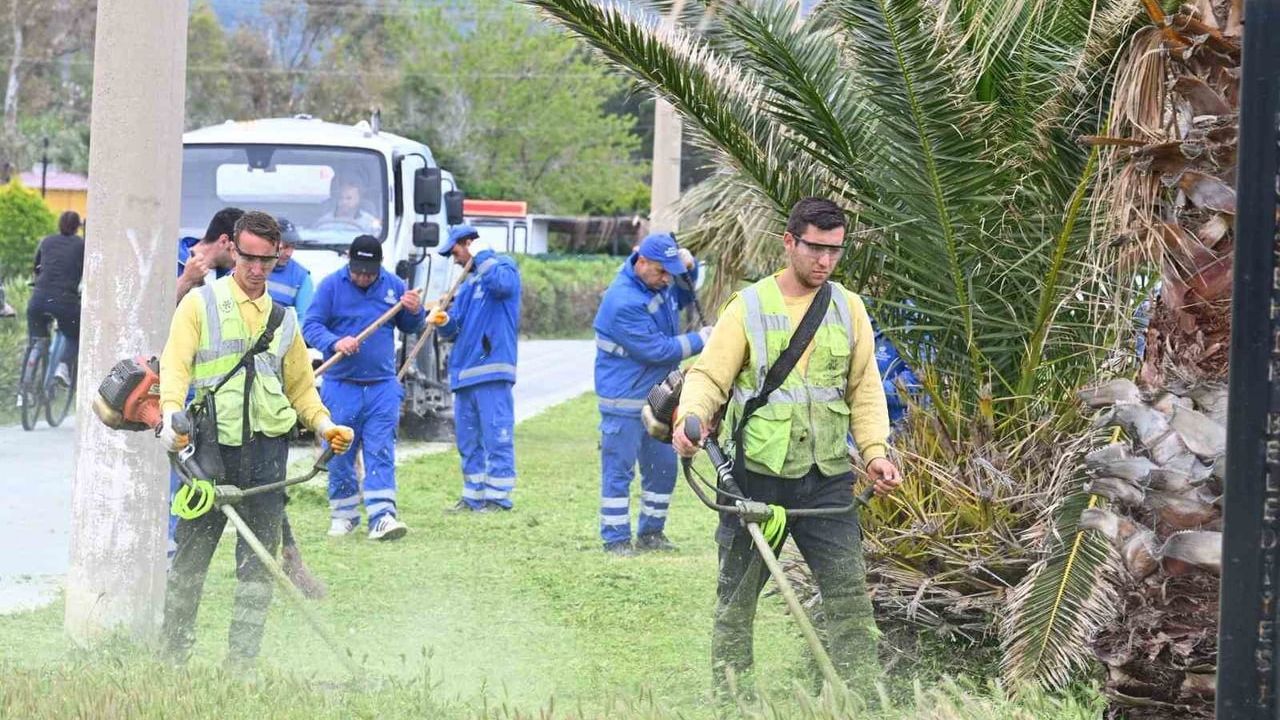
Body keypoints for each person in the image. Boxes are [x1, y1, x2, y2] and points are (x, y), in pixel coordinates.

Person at [673, 197, 904, 695]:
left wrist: (876, 453)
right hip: (755, 478)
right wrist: (690, 419)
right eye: (815, 249)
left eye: (835, 252)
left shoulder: (849, 308)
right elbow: (708, 377)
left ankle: (862, 695)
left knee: (848, 596)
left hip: (827, 480)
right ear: (789, 242)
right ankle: (734, 697)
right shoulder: (749, 307)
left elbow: (864, 389)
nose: (824, 261)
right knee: (737, 600)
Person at [157, 210, 354, 667]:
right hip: (209, 453)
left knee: (258, 570)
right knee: (189, 562)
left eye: (267, 260)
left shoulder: (284, 321)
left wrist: (326, 427)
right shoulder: (199, 304)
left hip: (267, 455)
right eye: (249, 257)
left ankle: (241, 662)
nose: (256, 269)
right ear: (233, 251)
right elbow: (175, 365)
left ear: (277, 258)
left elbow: (302, 388)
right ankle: (173, 657)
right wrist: (171, 414)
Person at [592, 232, 710, 555]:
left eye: (670, 272)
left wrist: (690, 267)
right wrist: (702, 339)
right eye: (661, 271)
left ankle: (651, 534)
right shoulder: (623, 301)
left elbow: (684, 295)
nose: (666, 279)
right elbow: (657, 350)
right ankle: (615, 539)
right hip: (624, 400)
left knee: (663, 469)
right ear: (641, 262)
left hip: (658, 399)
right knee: (619, 472)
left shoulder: (659, 281)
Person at [303, 234, 425, 540]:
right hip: (341, 385)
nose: (363, 277)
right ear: (349, 263)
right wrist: (335, 341)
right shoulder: (331, 286)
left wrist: (414, 310)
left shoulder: (394, 285)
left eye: (369, 272)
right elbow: (311, 325)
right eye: (357, 271)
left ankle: (382, 516)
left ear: (379, 267)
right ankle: (344, 514)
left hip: (382, 385)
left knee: (380, 449)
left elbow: (411, 326)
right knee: (340, 451)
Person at [436, 224, 522, 512]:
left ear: (469, 244)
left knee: (497, 435)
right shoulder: (468, 284)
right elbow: (454, 328)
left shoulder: (503, 268)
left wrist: (480, 255)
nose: (455, 258)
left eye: (457, 250)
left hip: (493, 371)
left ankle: (498, 497)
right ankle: (473, 496)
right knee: (468, 441)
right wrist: (443, 321)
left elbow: (502, 286)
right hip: (465, 375)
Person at [27, 211, 84, 385]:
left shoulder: (47, 241)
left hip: (38, 299)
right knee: (76, 334)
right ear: (77, 227)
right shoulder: (81, 245)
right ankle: (64, 366)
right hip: (65, 301)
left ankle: (24, 388)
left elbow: (37, 267)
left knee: (35, 339)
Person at [176, 207, 240, 300]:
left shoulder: (229, 277)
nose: (241, 259)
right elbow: (152, 306)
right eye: (239, 252)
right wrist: (186, 279)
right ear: (224, 241)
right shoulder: (168, 258)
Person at [267, 217, 314, 320]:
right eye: (285, 246)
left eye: (293, 246)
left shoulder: (301, 278)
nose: (289, 253)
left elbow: (303, 319)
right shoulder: (249, 266)